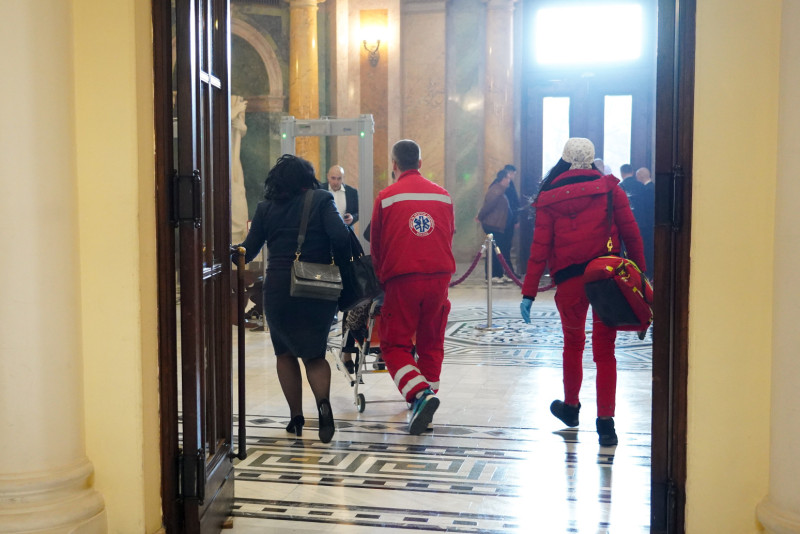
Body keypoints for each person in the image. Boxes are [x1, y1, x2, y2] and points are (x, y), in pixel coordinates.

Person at [519, 138, 645, 446]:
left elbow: (539, 249)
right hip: (607, 280)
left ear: (565, 158)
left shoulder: (549, 197)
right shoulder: (610, 189)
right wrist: (639, 279)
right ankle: (606, 424)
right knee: (605, 352)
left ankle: (571, 408)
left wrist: (529, 292)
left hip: (570, 283)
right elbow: (632, 235)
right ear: (592, 158)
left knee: (573, 345)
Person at [238, 154, 351, 443]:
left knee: (285, 353)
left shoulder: (265, 208)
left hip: (279, 290)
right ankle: (323, 406)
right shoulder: (322, 199)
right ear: (307, 178)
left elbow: (247, 250)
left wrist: (223, 252)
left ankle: (296, 417)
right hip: (317, 288)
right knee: (314, 355)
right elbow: (340, 237)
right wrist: (337, 266)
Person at [370, 140, 456, 435]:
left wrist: (382, 278)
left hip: (403, 279)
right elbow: (448, 235)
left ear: (394, 164)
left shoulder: (386, 198)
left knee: (394, 344)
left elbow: (377, 246)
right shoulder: (443, 196)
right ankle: (425, 407)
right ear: (419, 163)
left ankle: (421, 395)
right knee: (431, 341)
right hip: (439, 278)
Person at [477, 168, 513, 283]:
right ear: (503, 179)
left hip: (498, 225)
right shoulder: (496, 190)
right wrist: (480, 217)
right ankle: (492, 275)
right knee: (493, 252)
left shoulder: (500, 190)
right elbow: (488, 207)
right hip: (493, 225)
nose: (509, 180)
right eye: (508, 178)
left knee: (498, 251)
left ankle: (499, 274)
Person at [635, 167, 655, 279]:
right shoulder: (653, 187)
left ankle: (648, 273)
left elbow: (646, 210)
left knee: (647, 249)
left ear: (640, 176)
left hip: (646, 226)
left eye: (637, 176)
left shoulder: (647, 190)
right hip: (651, 225)